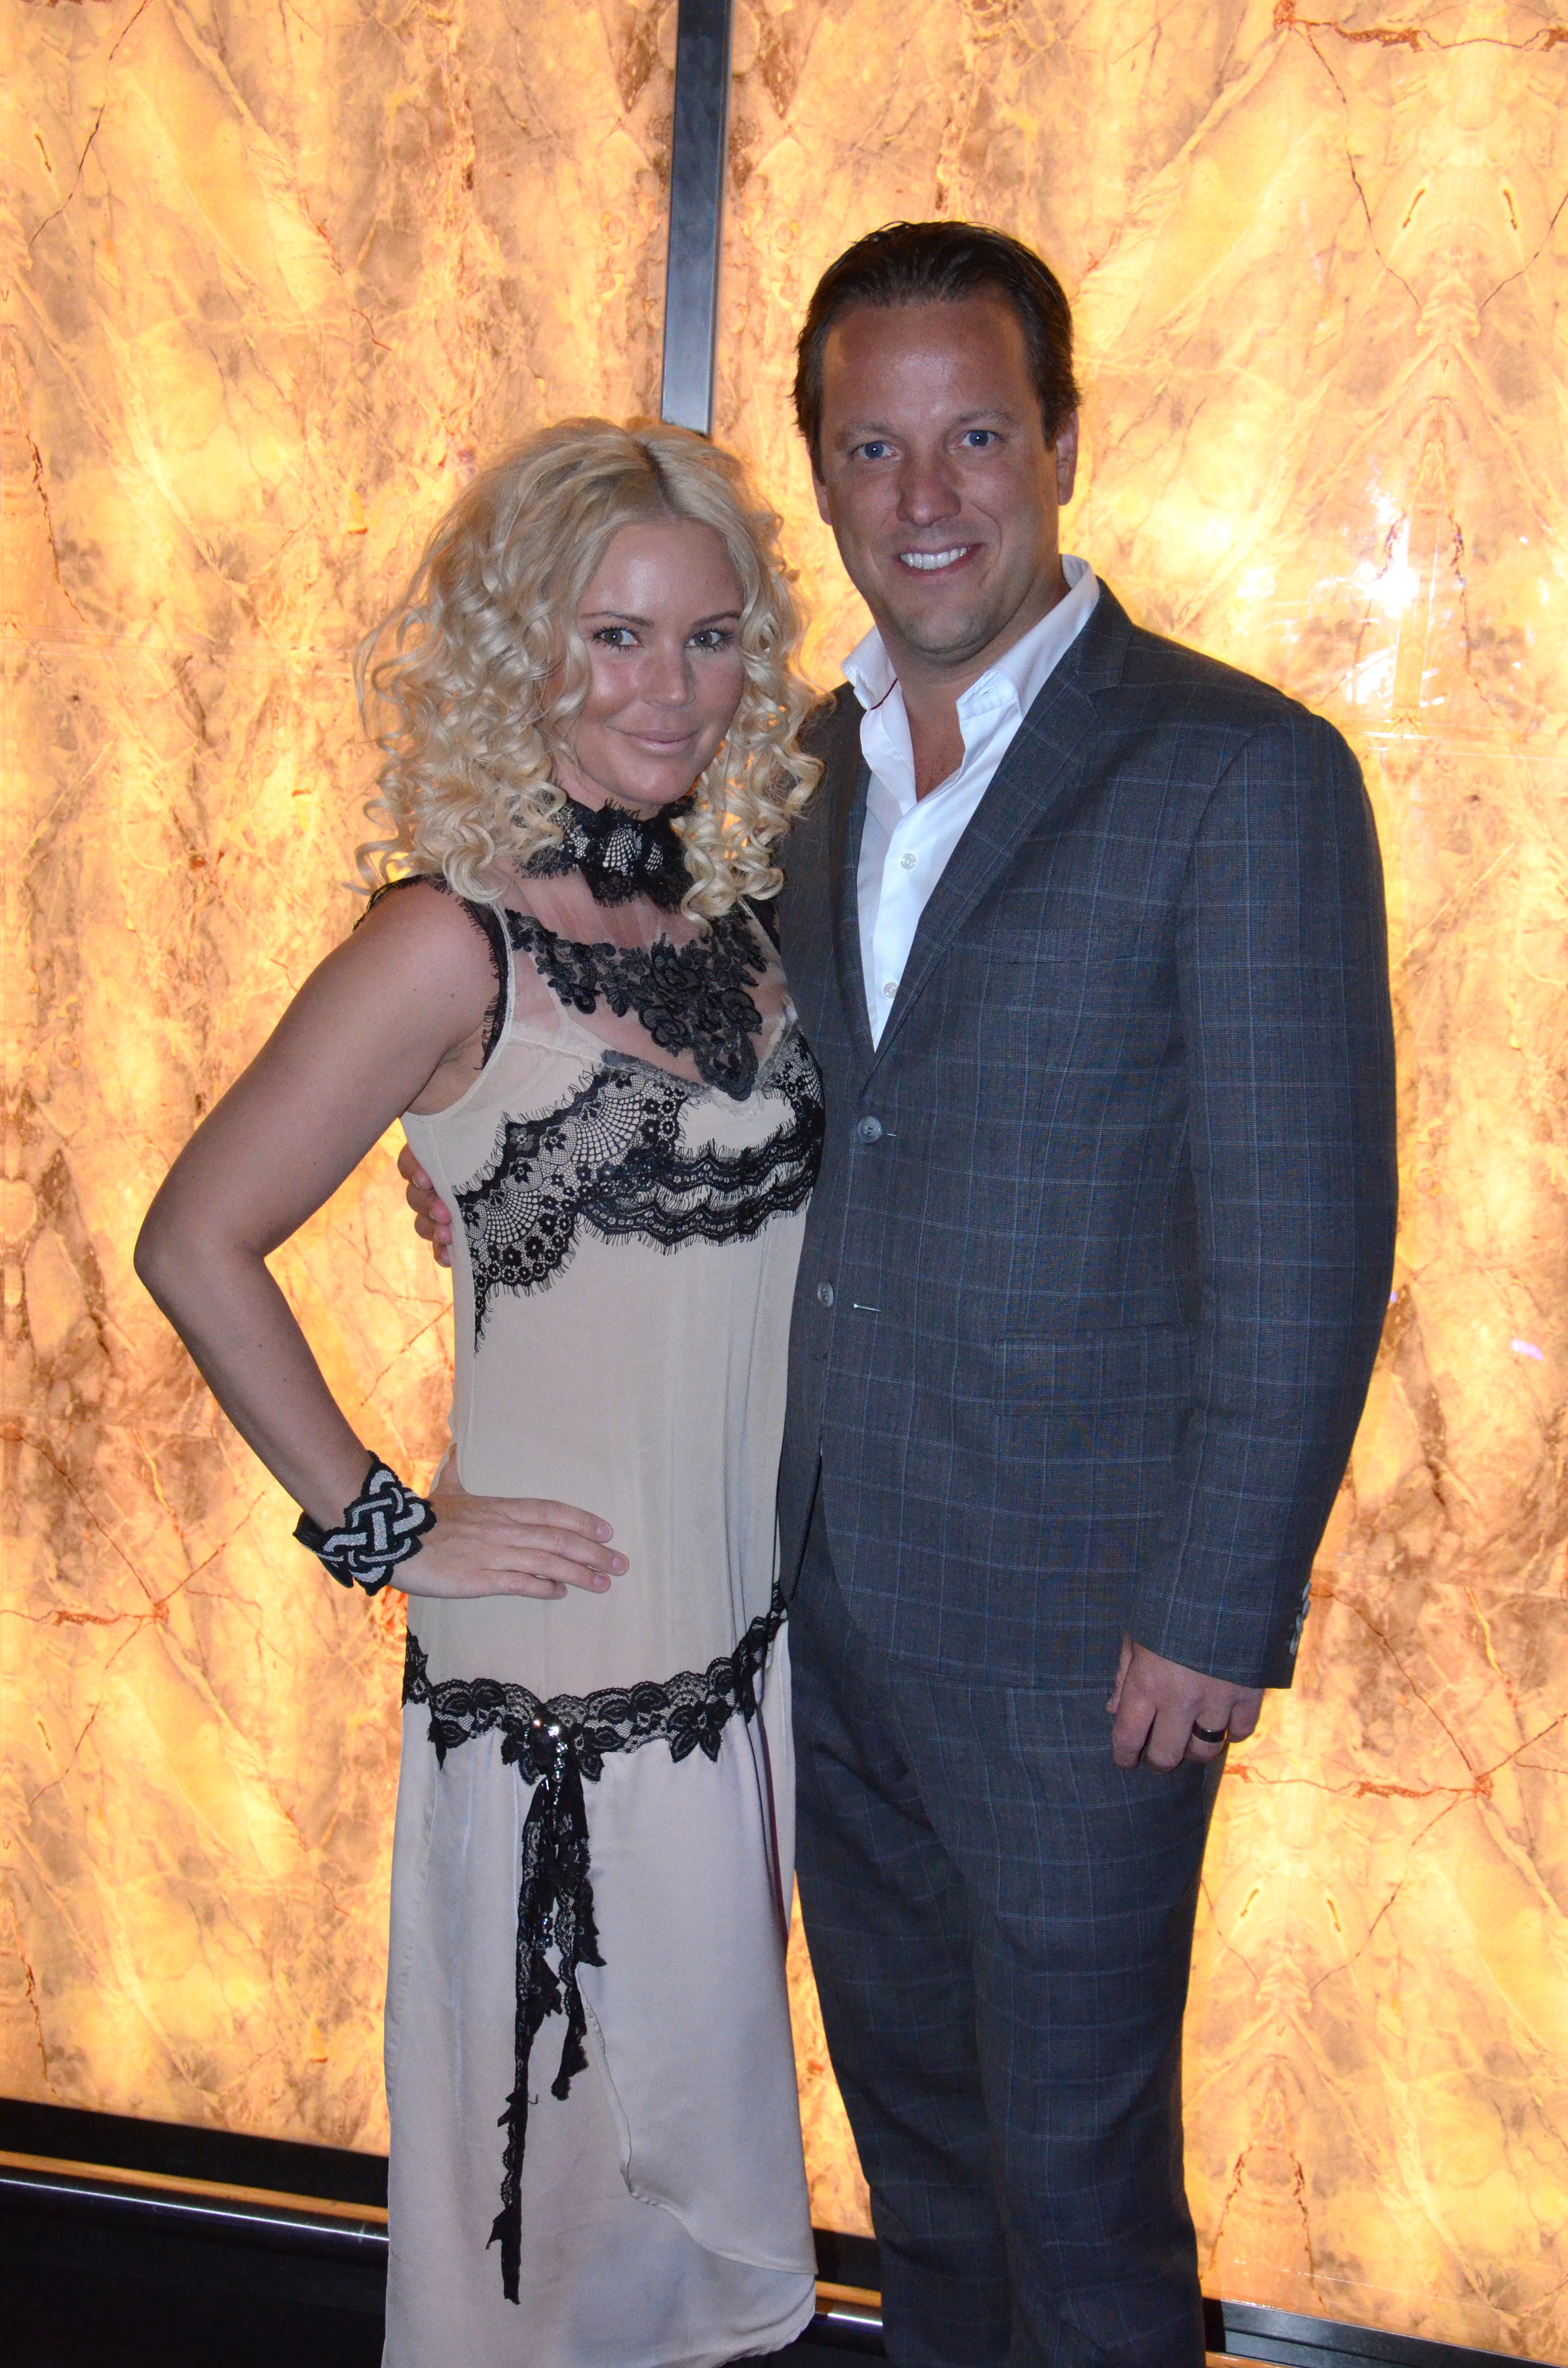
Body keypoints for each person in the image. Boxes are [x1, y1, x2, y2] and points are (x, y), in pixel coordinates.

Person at [402, 223, 1399, 2368]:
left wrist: (1221, 1604)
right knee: (923, 2169)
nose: (926, 495)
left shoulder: (1240, 770)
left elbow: (1310, 1236)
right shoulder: (791, 776)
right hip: (807, 1614)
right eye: (873, 448)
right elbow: (688, 1066)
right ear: (823, 477)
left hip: (1088, 1642)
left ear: (1063, 443)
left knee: (1081, 2190)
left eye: (975, 437)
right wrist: (490, 1160)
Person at [135, 419, 829, 2368]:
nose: (668, 688)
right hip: (557, 1682)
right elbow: (194, 1240)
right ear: (526, 650)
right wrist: (386, 1526)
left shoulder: (743, 925)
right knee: (544, 2232)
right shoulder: (445, 943)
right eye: (614, 635)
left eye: (708, 638)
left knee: (676, 2234)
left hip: (742, 1662)